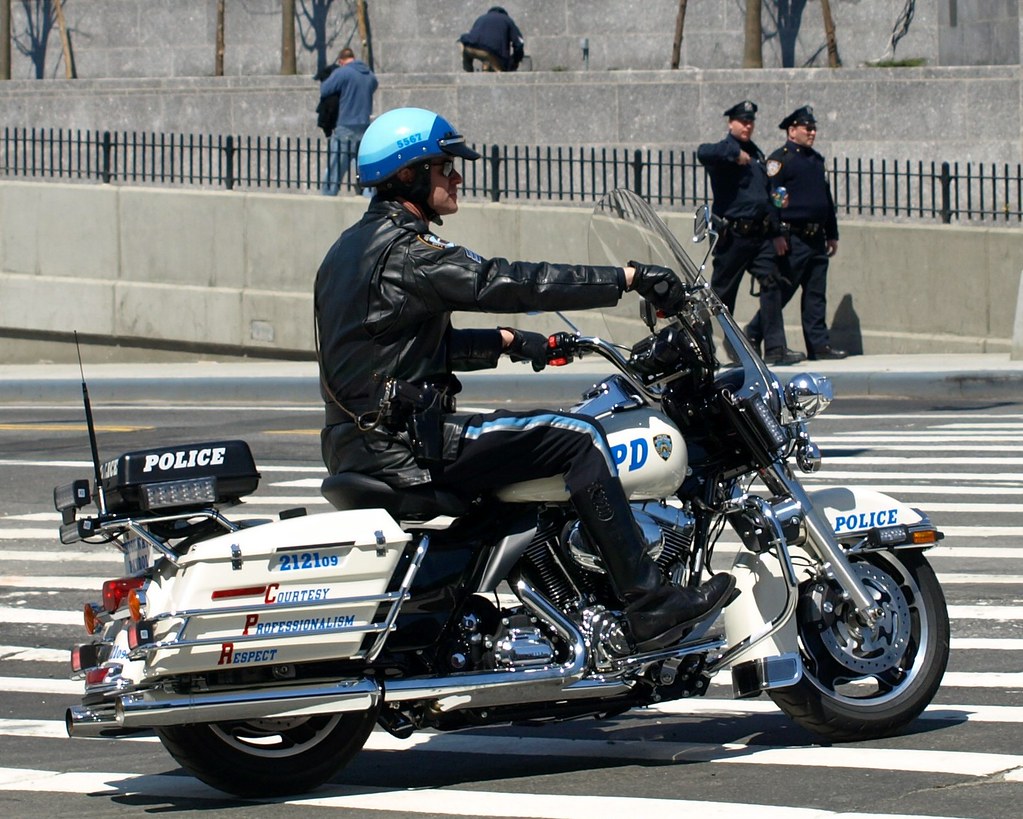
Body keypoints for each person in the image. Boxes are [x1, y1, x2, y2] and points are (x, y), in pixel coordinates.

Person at [315, 107, 734, 652]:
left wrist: (512, 343)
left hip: (360, 444)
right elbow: (507, 282)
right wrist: (627, 279)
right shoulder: (410, 253)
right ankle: (649, 602)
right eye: (444, 167)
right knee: (581, 438)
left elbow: (404, 348)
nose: (456, 178)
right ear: (407, 175)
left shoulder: (347, 252)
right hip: (407, 447)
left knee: (527, 470)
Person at [697, 100, 805, 367]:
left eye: (750, 122)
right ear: (731, 123)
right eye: (743, 122)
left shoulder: (756, 153)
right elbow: (703, 152)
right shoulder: (725, 151)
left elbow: (765, 197)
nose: (747, 126)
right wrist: (734, 154)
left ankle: (776, 347)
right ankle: (706, 349)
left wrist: (777, 230)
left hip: (761, 236)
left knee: (772, 282)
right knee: (721, 296)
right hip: (734, 236)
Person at [757, 106, 847, 360]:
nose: (812, 132)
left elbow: (826, 200)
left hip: (816, 238)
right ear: (792, 130)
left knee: (816, 294)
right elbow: (773, 200)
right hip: (793, 238)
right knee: (781, 292)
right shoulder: (780, 160)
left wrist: (832, 233)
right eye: (808, 128)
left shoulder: (816, 160)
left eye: (814, 128)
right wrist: (776, 233)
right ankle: (754, 332)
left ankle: (818, 345)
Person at [319, 47, 377, 196]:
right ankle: (369, 197)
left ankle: (327, 197)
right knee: (363, 167)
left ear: (341, 61)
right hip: (364, 126)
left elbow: (325, 89)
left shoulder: (343, 72)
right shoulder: (369, 75)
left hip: (346, 125)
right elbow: (374, 85)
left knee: (335, 167)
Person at [458, 7, 524, 72]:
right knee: (500, 72)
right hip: (489, 52)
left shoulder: (481, 18)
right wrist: (516, 60)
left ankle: (469, 73)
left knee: (474, 56)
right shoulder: (507, 20)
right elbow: (519, 43)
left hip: (467, 47)